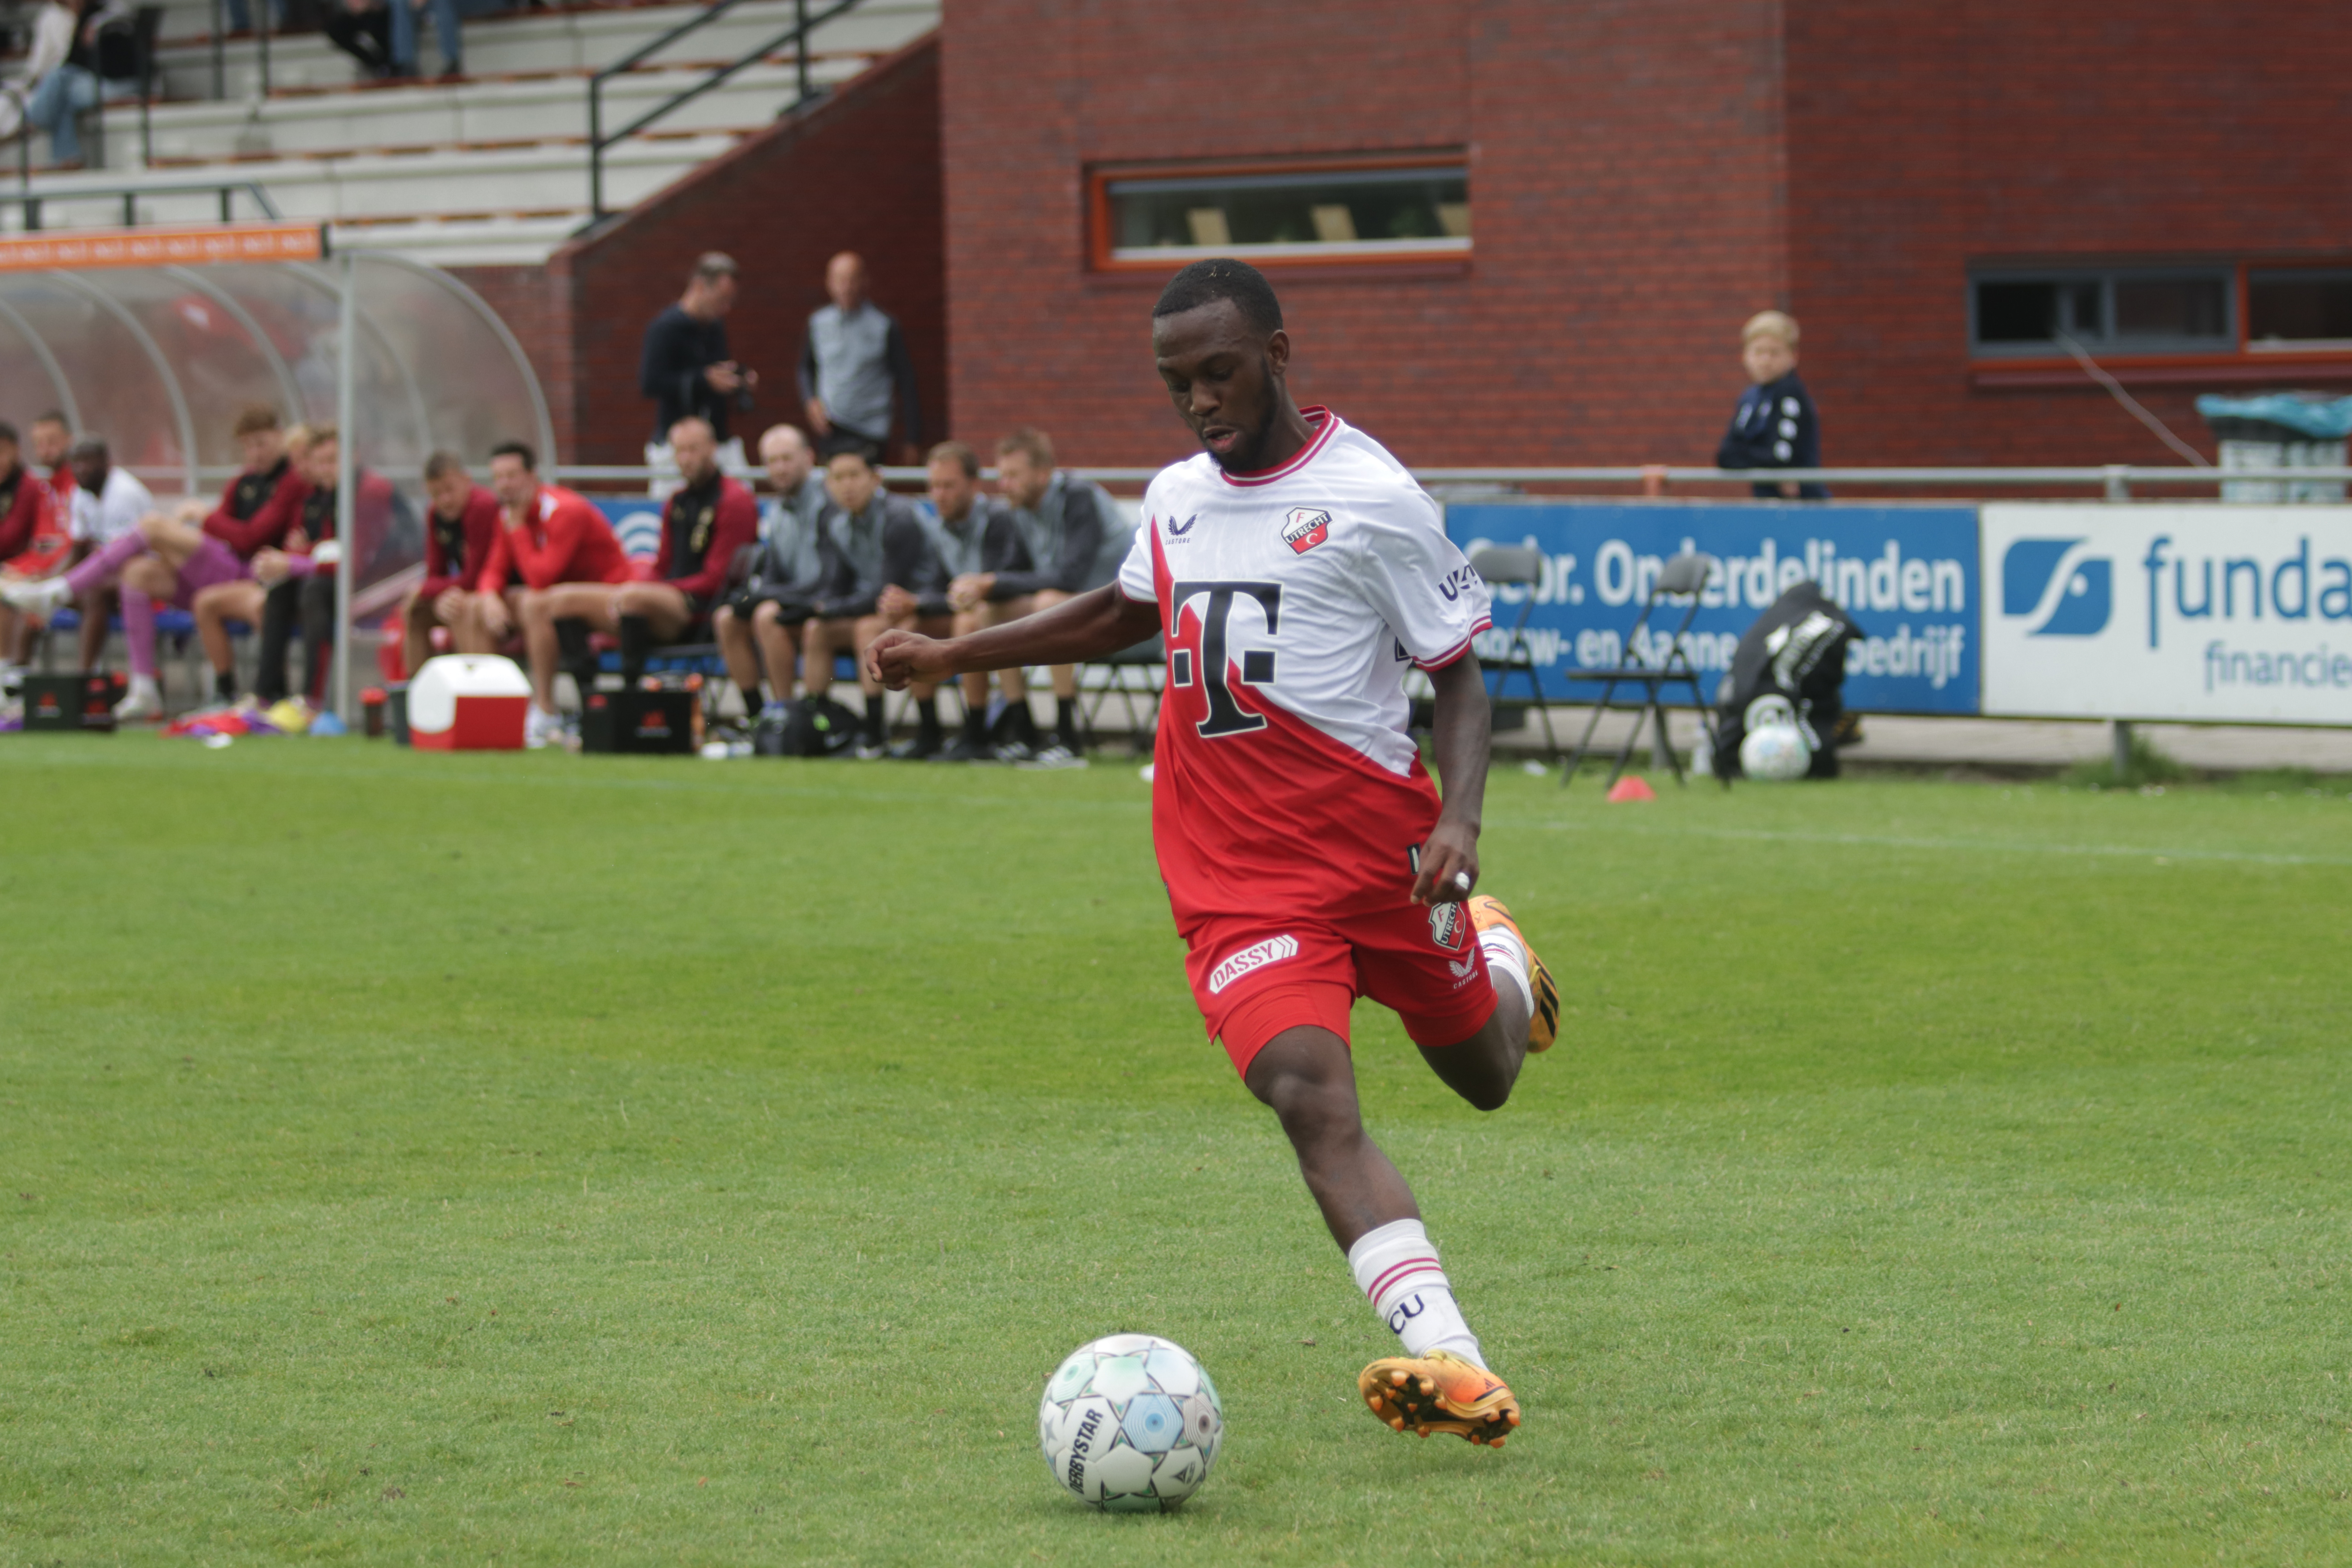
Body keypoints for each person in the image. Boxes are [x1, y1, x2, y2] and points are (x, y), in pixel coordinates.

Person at [871, 258, 1559, 1448]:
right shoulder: (1177, 494)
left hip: (1385, 855)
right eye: (1176, 381)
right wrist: (952, 651)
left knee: (1486, 1074)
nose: (1198, 399)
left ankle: (1500, 957)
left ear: (1278, 353)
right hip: (1235, 877)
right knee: (1305, 1087)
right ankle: (1451, 1355)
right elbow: (1123, 610)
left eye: (1219, 372)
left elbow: (1454, 670)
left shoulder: (1373, 495)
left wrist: (1458, 820)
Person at [539, 415, 755, 702]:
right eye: (680, 451)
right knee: (561, 600)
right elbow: (661, 566)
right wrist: (645, 587)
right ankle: (590, 704)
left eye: (694, 449)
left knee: (633, 599)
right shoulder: (676, 501)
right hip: (658, 601)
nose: (686, 458)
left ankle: (631, 700)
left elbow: (717, 579)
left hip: (701, 609)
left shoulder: (733, 500)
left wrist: (650, 591)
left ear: (713, 449)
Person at [954, 427, 1131, 766]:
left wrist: (991, 581)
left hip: (1127, 619)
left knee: (1050, 602)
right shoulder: (1018, 510)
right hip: (1077, 615)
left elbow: (1070, 577)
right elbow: (1014, 573)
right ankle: (1024, 732)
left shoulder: (1079, 497)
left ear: (1043, 473)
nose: (1004, 485)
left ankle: (1068, 737)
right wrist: (979, 588)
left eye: (1013, 476)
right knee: (992, 611)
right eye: (1001, 476)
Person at [470, 439, 631, 747]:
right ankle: (485, 708)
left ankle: (545, 710)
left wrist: (517, 531)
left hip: (613, 601)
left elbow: (541, 576)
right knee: (474, 606)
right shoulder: (510, 515)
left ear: (533, 476)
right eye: (498, 477)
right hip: (562, 606)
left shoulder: (564, 510)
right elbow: (493, 571)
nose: (504, 485)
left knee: (534, 603)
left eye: (512, 475)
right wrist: (489, 597)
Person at [1, 434, 160, 713]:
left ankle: (84, 681)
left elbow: (125, 559)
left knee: (92, 595)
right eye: (77, 463)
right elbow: (77, 552)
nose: (82, 469)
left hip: (144, 582)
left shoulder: (124, 493)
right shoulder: (80, 494)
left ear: (107, 463)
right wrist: (47, 582)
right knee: (36, 593)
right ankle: (16, 679)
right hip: (99, 581)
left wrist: (68, 586)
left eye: (89, 462)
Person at [799, 446, 939, 759]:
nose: (846, 485)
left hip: (919, 605)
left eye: (854, 476)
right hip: (873, 608)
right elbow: (834, 584)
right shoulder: (835, 522)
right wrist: (813, 608)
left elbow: (886, 589)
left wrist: (831, 608)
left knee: (866, 630)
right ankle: (816, 724)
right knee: (816, 629)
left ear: (876, 479)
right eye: (837, 478)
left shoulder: (899, 517)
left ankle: (876, 734)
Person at [919, 440, 1031, 762]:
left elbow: (1006, 578)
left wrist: (967, 593)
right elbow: (936, 588)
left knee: (970, 619)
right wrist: (913, 602)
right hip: (967, 613)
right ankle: (929, 733)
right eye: (934, 486)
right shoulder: (936, 527)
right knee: (910, 624)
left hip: (1012, 615)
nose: (939, 495)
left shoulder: (999, 518)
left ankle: (978, 730)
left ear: (973, 484)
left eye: (948, 486)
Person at [714, 423, 828, 722]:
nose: (780, 468)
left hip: (825, 599)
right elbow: (775, 572)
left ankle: (786, 714)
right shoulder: (776, 511)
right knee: (727, 618)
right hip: (791, 600)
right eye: (772, 461)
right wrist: (757, 593)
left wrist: (766, 596)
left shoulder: (829, 503)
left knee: (766, 614)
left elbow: (824, 579)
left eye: (787, 459)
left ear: (809, 458)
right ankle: (756, 717)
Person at [640, 254, 753, 494]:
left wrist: (736, 380)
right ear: (700, 287)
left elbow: (719, 369)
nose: (725, 308)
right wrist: (703, 381)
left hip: (717, 439)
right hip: (677, 441)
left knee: (741, 497)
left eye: (730, 301)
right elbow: (650, 382)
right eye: (721, 300)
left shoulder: (714, 327)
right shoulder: (665, 329)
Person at [798, 251, 921, 463]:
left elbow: (907, 382)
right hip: (831, 427)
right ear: (829, 283)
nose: (846, 287)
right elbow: (805, 368)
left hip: (870, 430)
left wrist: (913, 438)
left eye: (852, 280)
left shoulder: (884, 325)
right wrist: (810, 400)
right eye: (840, 280)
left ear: (865, 281)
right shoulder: (818, 323)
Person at [399, 451, 501, 678]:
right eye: (436, 493)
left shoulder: (482, 507)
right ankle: (416, 689)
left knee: (460, 608)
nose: (445, 499)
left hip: (497, 591)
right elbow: (436, 571)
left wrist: (427, 590)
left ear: (467, 481)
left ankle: (475, 689)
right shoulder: (435, 514)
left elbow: (476, 577)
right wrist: (435, 596)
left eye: (450, 490)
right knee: (414, 611)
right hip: (468, 589)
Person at [1715, 309, 1826, 501]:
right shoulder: (1750, 398)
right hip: (1767, 503)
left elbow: (1780, 457)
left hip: (1803, 504)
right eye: (1759, 352)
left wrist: (1748, 457)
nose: (1765, 361)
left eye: (1774, 353)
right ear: (1745, 356)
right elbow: (1725, 456)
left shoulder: (1790, 392)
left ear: (1793, 357)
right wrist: (1768, 467)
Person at [23, 0, 138, 169]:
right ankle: (70, 159)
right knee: (61, 86)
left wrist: (96, 26)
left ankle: (38, 119)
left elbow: (85, 62)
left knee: (60, 85)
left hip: (124, 84)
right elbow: (73, 62)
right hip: (100, 81)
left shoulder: (108, 14)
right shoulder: (84, 15)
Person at [0, 421, 69, 681]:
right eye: (40, 444)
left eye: (53, 442)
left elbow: (14, 539)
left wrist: (18, 569)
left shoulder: (33, 488)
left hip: (44, 570)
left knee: (5, 593)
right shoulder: (50, 486)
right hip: (28, 567)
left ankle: (7, 675)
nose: (45, 451)